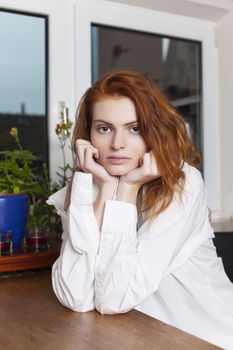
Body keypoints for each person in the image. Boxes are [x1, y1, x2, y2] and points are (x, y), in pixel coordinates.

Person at [47, 70, 233, 349]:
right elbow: (75, 295)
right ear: (88, 136)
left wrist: (129, 188)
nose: (117, 143)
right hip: (142, 335)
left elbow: (113, 299)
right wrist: (106, 189)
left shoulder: (183, 182)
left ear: (153, 132)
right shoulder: (89, 184)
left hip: (209, 335)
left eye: (134, 128)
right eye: (104, 128)